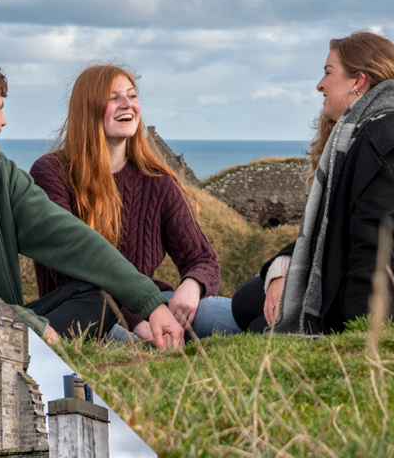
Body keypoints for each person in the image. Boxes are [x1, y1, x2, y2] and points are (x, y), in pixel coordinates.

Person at [0, 56, 185, 350]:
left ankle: (38, 342)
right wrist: (35, 325)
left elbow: (72, 239)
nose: (4, 121)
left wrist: (151, 303)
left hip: (5, 320)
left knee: (101, 293)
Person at [30, 64, 238, 341]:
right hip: (86, 311)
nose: (127, 104)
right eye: (113, 98)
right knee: (127, 344)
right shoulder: (51, 173)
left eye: (132, 96)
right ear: (88, 107)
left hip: (153, 304)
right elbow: (66, 272)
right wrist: (140, 319)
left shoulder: (157, 180)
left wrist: (192, 285)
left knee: (233, 315)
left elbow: (201, 259)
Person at [232, 31, 394, 334]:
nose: (319, 85)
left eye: (328, 73)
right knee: (247, 299)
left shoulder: (382, 139)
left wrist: (364, 336)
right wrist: (284, 267)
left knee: (257, 321)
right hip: (344, 274)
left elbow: (376, 247)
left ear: (358, 81)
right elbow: (331, 227)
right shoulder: (361, 133)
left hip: (361, 300)